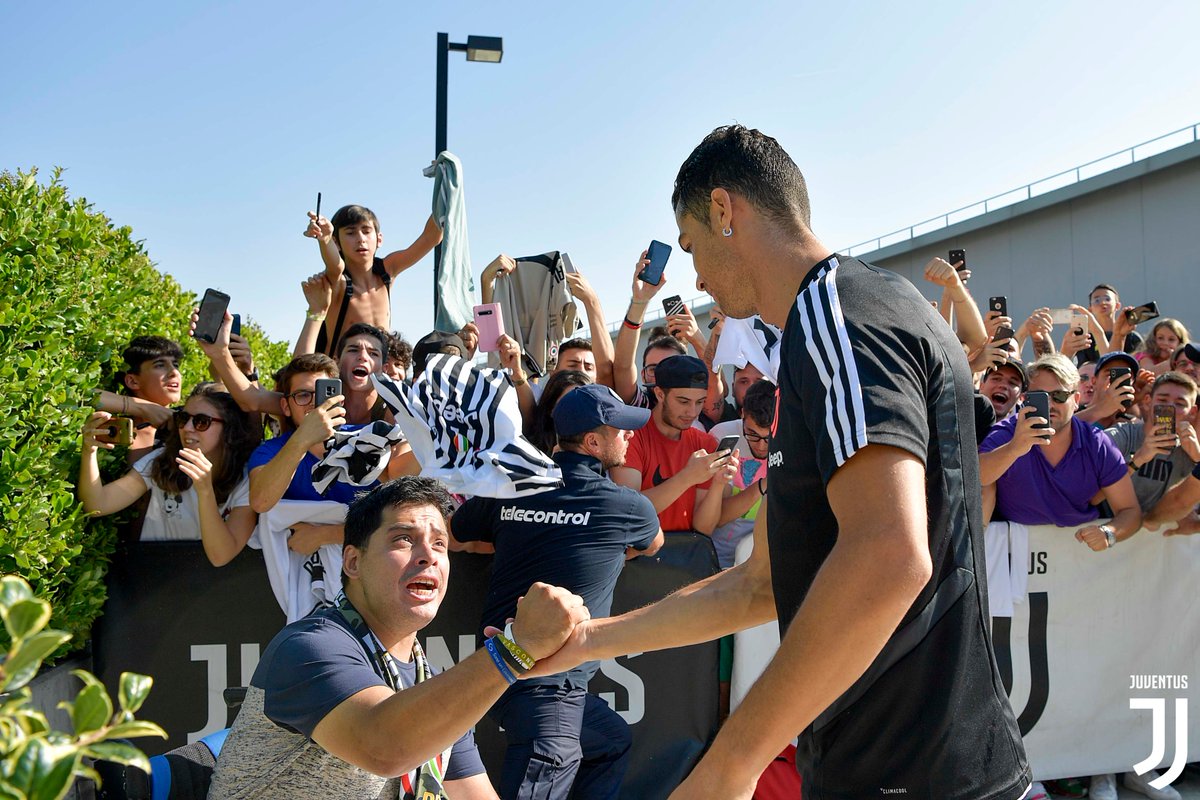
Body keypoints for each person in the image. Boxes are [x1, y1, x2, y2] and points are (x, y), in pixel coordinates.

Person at [530, 125, 1031, 799]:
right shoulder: (853, 315)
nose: (696, 276)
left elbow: (888, 555)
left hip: (917, 771)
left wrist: (731, 764)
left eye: (691, 245)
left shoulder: (836, 316)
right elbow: (758, 586)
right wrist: (593, 639)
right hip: (912, 765)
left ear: (724, 210)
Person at [208, 477, 590, 800]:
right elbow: (385, 748)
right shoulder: (309, 647)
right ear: (353, 562)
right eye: (404, 539)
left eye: (439, 543)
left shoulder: (430, 683)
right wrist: (512, 652)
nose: (428, 556)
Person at [450, 385, 663, 800]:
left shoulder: (512, 486)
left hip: (499, 673)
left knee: (611, 741)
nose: (630, 436)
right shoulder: (625, 505)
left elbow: (456, 534)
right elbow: (652, 544)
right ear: (593, 443)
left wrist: (521, 529)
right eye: (621, 429)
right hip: (548, 689)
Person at [79, 384, 260, 565]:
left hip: (210, 580)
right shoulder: (163, 460)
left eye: (201, 421)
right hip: (154, 573)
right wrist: (89, 451)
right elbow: (97, 504)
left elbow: (221, 556)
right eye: (183, 418)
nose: (187, 428)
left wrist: (205, 492)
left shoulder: (246, 480)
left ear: (229, 428)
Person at [978, 354, 1142, 548]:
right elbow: (978, 477)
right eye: (1040, 397)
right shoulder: (1008, 433)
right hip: (1013, 555)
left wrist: (1109, 533)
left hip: (1077, 554)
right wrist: (1014, 448)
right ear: (1024, 399)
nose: (1050, 404)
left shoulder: (1097, 444)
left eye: (1059, 396)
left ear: (1076, 400)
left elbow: (1130, 511)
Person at [612, 354, 735, 535]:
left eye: (700, 402)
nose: (692, 412)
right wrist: (688, 477)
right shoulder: (630, 437)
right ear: (660, 394)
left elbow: (704, 528)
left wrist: (718, 483)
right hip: (639, 549)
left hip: (687, 549)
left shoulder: (705, 443)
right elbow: (628, 512)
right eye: (683, 401)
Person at [303, 204, 442, 356]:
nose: (360, 239)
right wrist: (325, 239)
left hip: (378, 367)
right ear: (336, 243)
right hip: (341, 369)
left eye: (366, 231)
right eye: (350, 233)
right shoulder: (338, 282)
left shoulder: (387, 272)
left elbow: (430, 238)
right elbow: (335, 265)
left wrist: (446, 194)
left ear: (379, 239)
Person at [1104, 372, 1199, 511]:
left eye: (1179, 404)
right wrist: (1139, 459)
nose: (1169, 408)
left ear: (1192, 412)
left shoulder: (1190, 449)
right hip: (1109, 520)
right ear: (1148, 401)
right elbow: (1091, 492)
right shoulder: (1121, 435)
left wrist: (1197, 458)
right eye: (1162, 400)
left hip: (1159, 522)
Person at [707, 378, 774, 569]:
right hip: (719, 560)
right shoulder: (722, 435)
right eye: (752, 434)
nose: (761, 446)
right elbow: (718, 517)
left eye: (768, 438)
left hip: (764, 560)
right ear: (742, 414)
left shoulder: (790, 440)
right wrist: (763, 484)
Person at [94, 336, 184, 463]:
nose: (174, 372)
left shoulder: (190, 425)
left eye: (175, 365)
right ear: (132, 381)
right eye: (160, 365)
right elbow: (81, 396)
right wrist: (143, 408)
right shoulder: (114, 431)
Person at [526, 369, 593, 456]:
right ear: (551, 410)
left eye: (583, 404)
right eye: (568, 405)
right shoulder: (532, 452)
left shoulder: (605, 447)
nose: (576, 411)